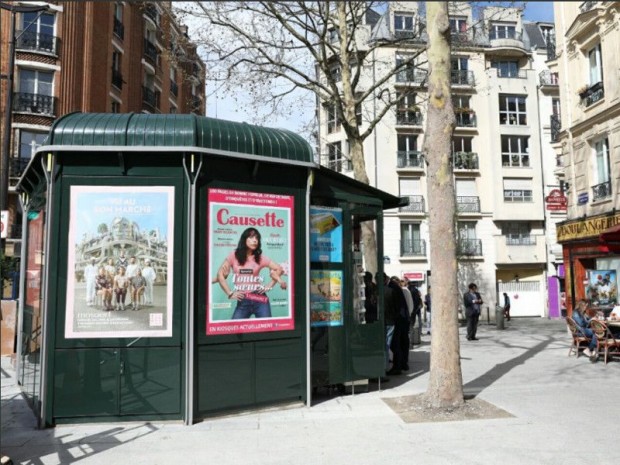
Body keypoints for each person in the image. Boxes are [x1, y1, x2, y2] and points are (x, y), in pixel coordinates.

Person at [214, 227, 287, 319]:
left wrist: (269, 286)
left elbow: (279, 269)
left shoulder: (260, 258)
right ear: (244, 239)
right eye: (252, 237)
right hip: (243, 300)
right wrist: (230, 293)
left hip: (260, 298)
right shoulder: (234, 255)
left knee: (266, 329)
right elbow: (220, 274)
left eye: (257, 238)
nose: (255, 240)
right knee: (235, 329)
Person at [376, 272, 397, 375]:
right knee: (387, 345)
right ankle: (385, 367)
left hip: (381, 322)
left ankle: (382, 367)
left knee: (382, 345)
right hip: (390, 321)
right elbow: (395, 307)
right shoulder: (390, 291)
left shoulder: (375, 292)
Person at [388, 276, 409, 374]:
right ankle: (402, 364)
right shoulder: (396, 288)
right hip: (402, 319)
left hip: (398, 320)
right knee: (400, 343)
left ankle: (398, 366)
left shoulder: (393, 288)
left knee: (396, 344)